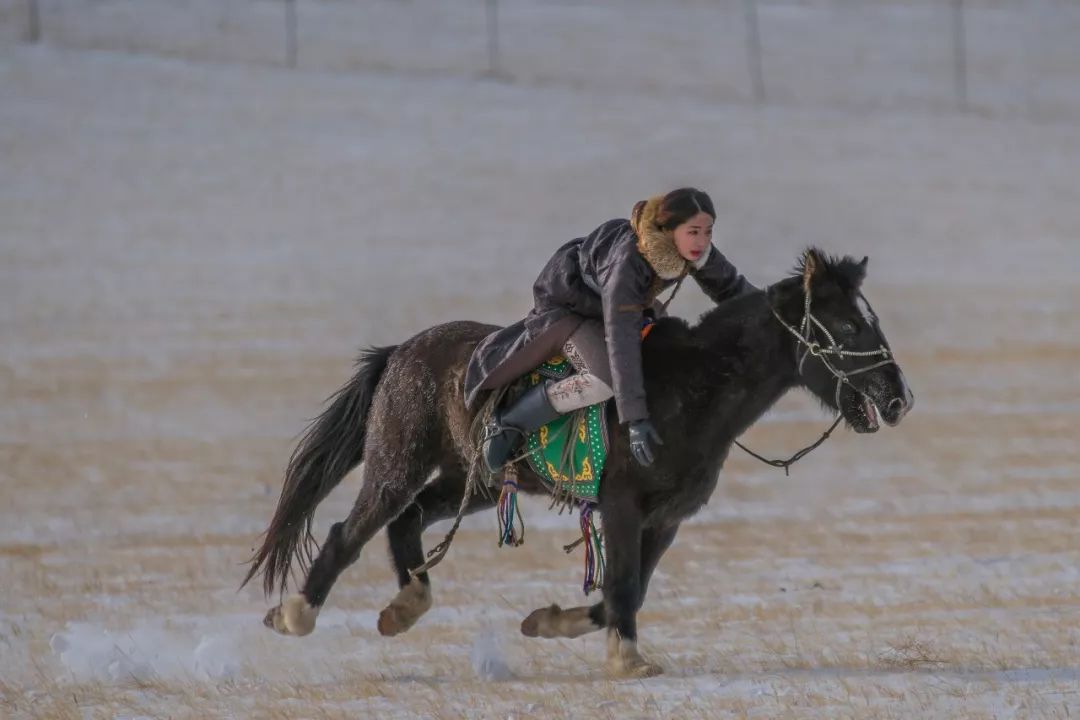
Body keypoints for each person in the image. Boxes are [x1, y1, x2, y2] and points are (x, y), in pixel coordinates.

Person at [463, 187, 755, 471]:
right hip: (571, 306)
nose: (702, 241)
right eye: (694, 231)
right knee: (604, 379)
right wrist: (636, 419)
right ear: (668, 230)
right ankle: (511, 422)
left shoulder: (693, 249)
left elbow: (735, 290)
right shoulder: (627, 260)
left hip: (621, 306)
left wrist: (782, 313)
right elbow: (621, 337)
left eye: (708, 231)